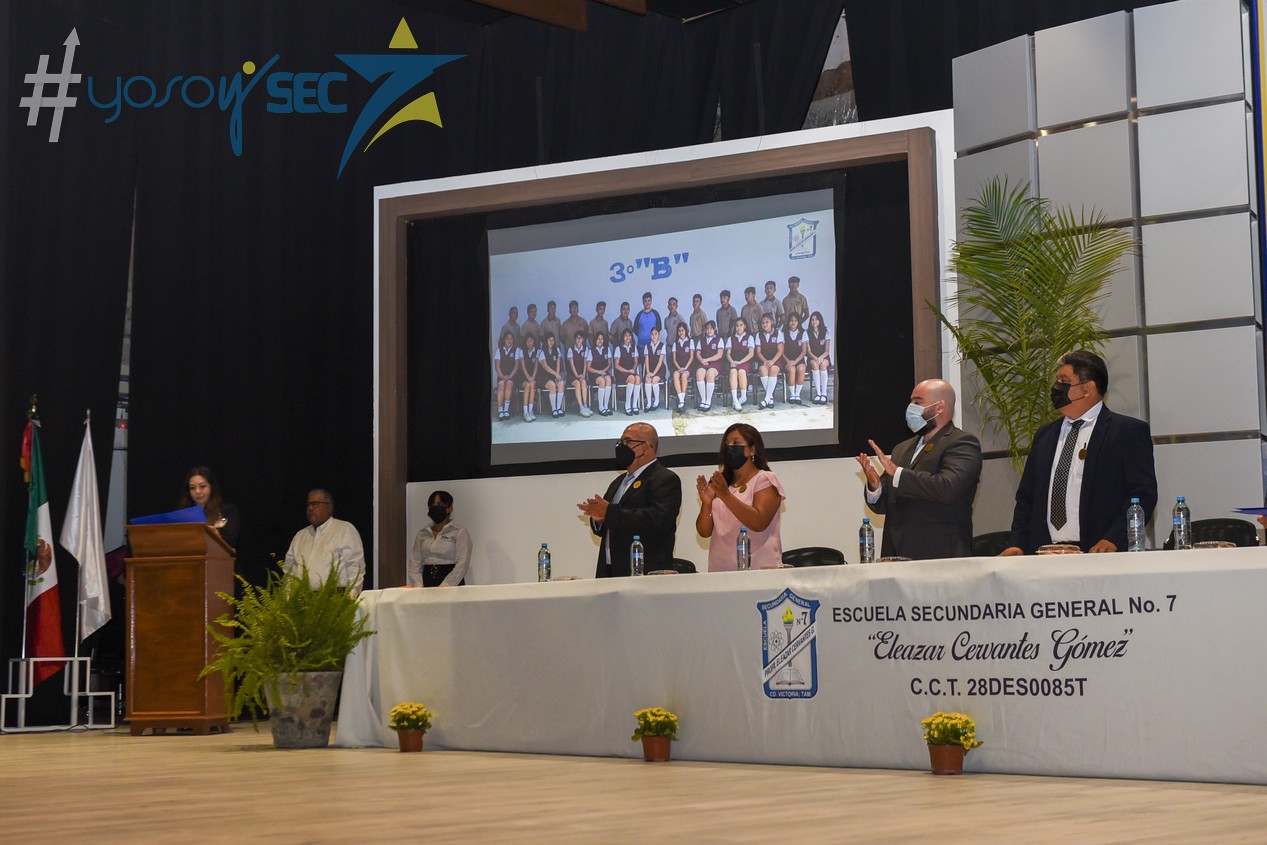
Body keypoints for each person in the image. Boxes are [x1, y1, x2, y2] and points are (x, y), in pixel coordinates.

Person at [1000, 349, 1158, 555]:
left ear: (1087, 388)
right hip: (1044, 553)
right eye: (1057, 380)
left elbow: (1142, 493)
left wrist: (1114, 538)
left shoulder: (1127, 431)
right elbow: (1026, 497)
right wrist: (1017, 543)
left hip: (1100, 553)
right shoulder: (1045, 435)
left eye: (1064, 381)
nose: (1056, 387)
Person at [856, 379, 982, 560]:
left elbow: (948, 488)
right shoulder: (902, 448)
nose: (910, 408)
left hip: (939, 556)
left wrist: (898, 474)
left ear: (939, 407)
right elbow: (884, 505)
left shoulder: (962, 443)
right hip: (896, 556)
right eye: (911, 402)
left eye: (917, 402)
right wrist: (875, 487)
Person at [577, 422, 682, 577]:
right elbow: (611, 522)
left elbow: (658, 519)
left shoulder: (664, 479)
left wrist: (609, 512)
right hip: (610, 570)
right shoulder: (618, 482)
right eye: (620, 442)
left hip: (645, 572)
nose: (622, 446)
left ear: (647, 446)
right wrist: (599, 520)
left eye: (628, 441)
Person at [695, 423, 785, 571]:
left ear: (752, 450)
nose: (730, 447)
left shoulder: (764, 479)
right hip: (720, 571)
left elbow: (759, 523)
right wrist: (707, 503)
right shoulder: (721, 483)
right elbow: (704, 533)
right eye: (727, 444)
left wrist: (726, 496)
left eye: (736, 443)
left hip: (759, 571)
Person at [283, 489, 365, 591]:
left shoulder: (344, 530)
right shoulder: (300, 536)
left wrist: (351, 597)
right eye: (308, 504)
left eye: (315, 504)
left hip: (334, 597)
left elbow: (355, 567)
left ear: (329, 508)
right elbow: (288, 570)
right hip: (301, 597)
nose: (310, 508)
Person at [407, 490, 472, 587]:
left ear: (449, 508)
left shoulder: (459, 532)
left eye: (439, 504)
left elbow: (462, 564)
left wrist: (445, 586)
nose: (435, 508)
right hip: (427, 582)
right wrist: (418, 586)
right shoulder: (422, 533)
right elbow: (414, 563)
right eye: (432, 506)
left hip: (452, 584)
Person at [180, 466, 240, 549]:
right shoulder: (183, 514)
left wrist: (217, 536)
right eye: (192, 488)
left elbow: (232, 542)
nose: (197, 491)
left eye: (202, 486)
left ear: (211, 487)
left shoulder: (227, 511)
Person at [726, 316, 756, 411]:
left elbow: (751, 353)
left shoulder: (749, 338)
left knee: (742, 372)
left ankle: (743, 397)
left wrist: (740, 362)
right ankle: (735, 399)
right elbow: (728, 353)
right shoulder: (731, 338)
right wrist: (731, 361)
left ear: (745, 326)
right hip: (734, 362)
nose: (739, 327)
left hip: (745, 362)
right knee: (733, 372)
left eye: (741, 325)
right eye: (737, 325)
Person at [755, 313, 784, 409]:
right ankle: (770, 398)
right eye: (763, 323)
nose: (765, 324)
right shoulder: (759, 335)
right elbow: (758, 352)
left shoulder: (778, 333)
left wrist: (772, 361)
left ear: (772, 322)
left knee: (773, 369)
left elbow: (780, 350)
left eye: (767, 322)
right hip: (764, 360)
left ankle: (767, 398)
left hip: (776, 360)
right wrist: (765, 361)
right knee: (762, 369)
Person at [695, 320, 723, 411]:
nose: (709, 330)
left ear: (715, 329)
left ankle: (708, 400)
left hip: (715, 363)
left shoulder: (719, 339)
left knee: (710, 374)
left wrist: (708, 359)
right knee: (699, 373)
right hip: (703, 362)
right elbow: (698, 353)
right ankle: (703, 399)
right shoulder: (702, 340)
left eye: (711, 328)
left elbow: (719, 355)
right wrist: (702, 360)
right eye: (707, 329)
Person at [781, 312, 809, 404]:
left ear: (798, 322)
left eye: (795, 321)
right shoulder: (783, 333)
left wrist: (795, 361)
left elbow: (804, 351)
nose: (793, 322)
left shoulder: (803, 333)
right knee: (792, 370)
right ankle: (792, 394)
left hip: (799, 360)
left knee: (801, 369)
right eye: (791, 320)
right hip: (787, 360)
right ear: (788, 322)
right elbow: (781, 351)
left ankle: (797, 394)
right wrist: (788, 361)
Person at [493, 330, 521, 420]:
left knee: (509, 383)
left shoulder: (517, 350)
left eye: (511, 338)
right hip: (502, 376)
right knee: (501, 384)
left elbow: (517, 366)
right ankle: (500, 410)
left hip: (512, 377)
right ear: (504, 340)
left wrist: (509, 376)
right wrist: (502, 376)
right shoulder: (499, 351)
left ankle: (506, 410)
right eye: (507, 339)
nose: (509, 340)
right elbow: (497, 366)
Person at [806, 311, 832, 405]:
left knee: (823, 365)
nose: (814, 321)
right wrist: (816, 358)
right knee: (814, 364)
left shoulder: (826, 331)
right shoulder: (807, 332)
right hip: (812, 357)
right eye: (812, 320)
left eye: (816, 319)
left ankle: (824, 393)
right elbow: (808, 351)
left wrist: (821, 358)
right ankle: (818, 393)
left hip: (824, 356)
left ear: (820, 320)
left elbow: (827, 351)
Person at [615, 327, 642, 415]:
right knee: (632, 378)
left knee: (638, 378)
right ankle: (627, 405)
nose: (628, 337)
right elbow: (616, 365)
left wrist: (633, 369)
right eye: (626, 335)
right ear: (623, 337)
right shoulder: (618, 348)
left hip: (631, 371)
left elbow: (636, 362)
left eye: (629, 335)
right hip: (621, 372)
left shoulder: (634, 347)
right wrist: (627, 371)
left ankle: (634, 405)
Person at [670, 322, 696, 412]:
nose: (681, 332)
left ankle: (682, 399)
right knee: (675, 375)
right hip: (678, 367)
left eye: (682, 330)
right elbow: (674, 359)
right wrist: (679, 368)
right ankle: (681, 400)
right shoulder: (675, 343)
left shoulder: (690, 341)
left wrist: (685, 368)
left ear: (686, 331)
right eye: (679, 331)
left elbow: (692, 357)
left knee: (684, 375)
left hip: (688, 367)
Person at [588, 330, 615, 416]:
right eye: (598, 339)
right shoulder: (591, 351)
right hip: (594, 373)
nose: (600, 340)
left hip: (604, 371)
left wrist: (603, 371)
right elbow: (588, 367)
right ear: (595, 340)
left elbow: (609, 364)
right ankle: (601, 407)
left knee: (608, 379)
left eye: (602, 339)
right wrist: (599, 372)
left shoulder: (607, 349)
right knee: (602, 381)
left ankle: (606, 406)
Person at [541, 332, 567, 418]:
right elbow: (545, 367)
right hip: (545, 376)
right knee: (552, 385)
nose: (551, 342)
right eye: (549, 340)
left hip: (555, 375)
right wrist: (555, 374)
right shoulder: (542, 352)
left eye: (553, 340)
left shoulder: (557, 350)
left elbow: (558, 364)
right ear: (546, 341)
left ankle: (558, 408)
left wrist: (557, 375)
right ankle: (554, 409)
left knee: (561, 383)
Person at [568, 330, 594, 417]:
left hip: (581, 374)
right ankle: (581, 407)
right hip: (572, 375)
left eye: (580, 338)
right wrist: (576, 375)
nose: (579, 340)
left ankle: (585, 405)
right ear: (575, 339)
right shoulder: (571, 350)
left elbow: (585, 363)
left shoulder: (586, 349)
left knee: (583, 382)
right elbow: (571, 364)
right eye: (577, 338)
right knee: (577, 384)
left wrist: (583, 374)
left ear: (583, 339)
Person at [643, 324, 666, 412]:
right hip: (650, 369)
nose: (654, 336)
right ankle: (649, 403)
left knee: (654, 380)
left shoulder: (662, 346)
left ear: (659, 334)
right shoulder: (647, 346)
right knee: (648, 379)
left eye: (656, 334)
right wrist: (648, 372)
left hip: (660, 369)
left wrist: (654, 373)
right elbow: (646, 360)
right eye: (652, 334)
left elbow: (660, 362)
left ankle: (656, 401)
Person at [520, 332, 542, 422]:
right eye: (527, 341)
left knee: (532, 384)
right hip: (523, 377)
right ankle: (525, 412)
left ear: (534, 341)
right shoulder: (522, 351)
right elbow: (523, 366)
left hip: (533, 376)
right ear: (525, 342)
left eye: (531, 340)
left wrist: (532, 377)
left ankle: (530, 410)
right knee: (527, 385)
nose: (529, 343)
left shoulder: (537, 351)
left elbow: (536, 366)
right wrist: (528, 377)